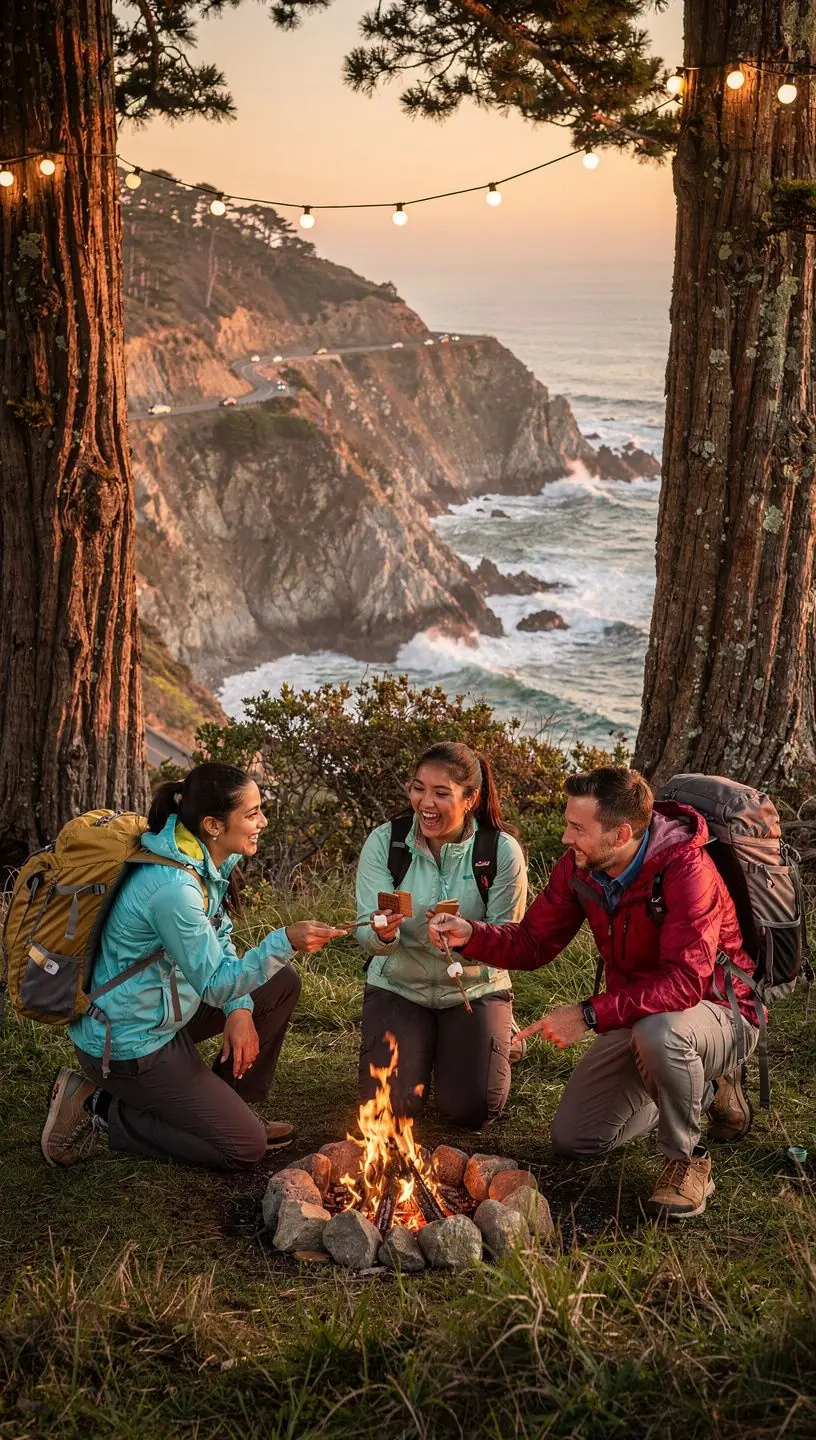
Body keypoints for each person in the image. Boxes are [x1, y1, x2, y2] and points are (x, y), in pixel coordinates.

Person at [429, 766, 760, 1220]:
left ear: (620, 832)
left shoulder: (687, 871)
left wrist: (586, 1015)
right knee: (577, 1139)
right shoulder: (582, 867)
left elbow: (684, 983)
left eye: (577, 828)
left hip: (718, 1011)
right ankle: (695, 1089)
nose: (566, 837)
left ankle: (689, 1160)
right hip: (638, 1015)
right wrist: (471, 934)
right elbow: (534, 941)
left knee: (662, 1034)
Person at [41, 764, 345, 1171]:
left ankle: (224, 1109)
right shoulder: (174, 890)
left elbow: (218, 938)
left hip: (167, 1008)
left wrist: (239, 1008)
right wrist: (284, 941)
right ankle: (100, 1105)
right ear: (213, 825)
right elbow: (218, 984)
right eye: (252, 814)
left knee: (280, 983)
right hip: (131, 1042)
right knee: (244, 1148)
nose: (263, 821)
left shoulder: (200, 856)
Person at [355, 742, 527, 1129]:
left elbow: (510, 941)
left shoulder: (499, 852)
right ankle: (428, 1042)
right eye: (418, 788)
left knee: (472, 1109)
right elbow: (366, 935)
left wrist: (468, 937)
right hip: (399, 985)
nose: (425, 803)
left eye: (441, 793)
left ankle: (495, 1033)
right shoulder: (386, 843)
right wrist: (381, 934)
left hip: (475, 990)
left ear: (471, 799)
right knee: (389, 1110)